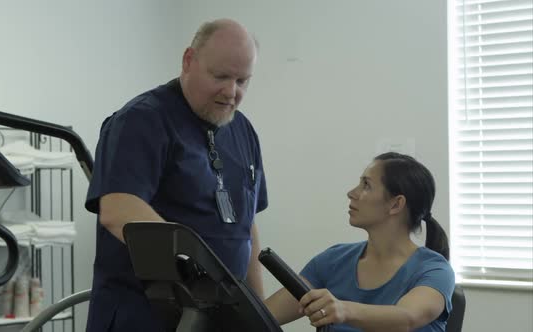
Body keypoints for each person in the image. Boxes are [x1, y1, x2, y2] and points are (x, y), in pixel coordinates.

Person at [84, 19, 267, 331]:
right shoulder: (142, 120)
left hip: (215, 317)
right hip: (144, 316)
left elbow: (246, 227)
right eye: (220, 76)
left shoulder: (242, 130)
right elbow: (118, 210)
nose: (231, 92)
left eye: (242, 81)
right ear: (188, 61)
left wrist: (258, 315)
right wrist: (201, 277)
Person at [265, 152, 455, 332]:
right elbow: (264, 315)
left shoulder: (435, 270)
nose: (351, 193)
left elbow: (407, 317)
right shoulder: (332, 261)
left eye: (366, 185)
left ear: (396, 204)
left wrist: (344, 310)